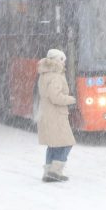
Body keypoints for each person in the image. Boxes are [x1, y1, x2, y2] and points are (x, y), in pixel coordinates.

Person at [36, 48, 77, 182]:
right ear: (58, 61)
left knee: (53, 144)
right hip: (56, 115)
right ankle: (55, 170)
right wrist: (71, 99)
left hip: (47, 114)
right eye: (63, 61)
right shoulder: (55, 76)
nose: (64, 64)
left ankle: (48, 172)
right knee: (66, 143)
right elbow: (56, 97)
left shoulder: (44, 74)